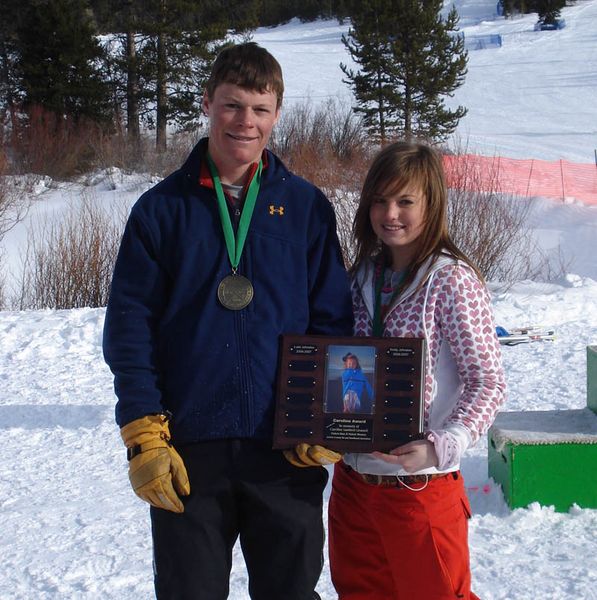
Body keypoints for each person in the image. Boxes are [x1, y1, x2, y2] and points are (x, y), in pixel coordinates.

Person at [103, 42, 353, 600]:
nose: (246, 122)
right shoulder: (160, 211)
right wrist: (144, 433)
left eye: (260, 110)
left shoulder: (308, 208)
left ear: (277, 115)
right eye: (233, 105)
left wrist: (325, 416)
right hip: (188, 449)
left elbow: (333, 322)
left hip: (285, 448)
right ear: (208, 104)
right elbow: (130, 329)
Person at [327, 141, 507, 600]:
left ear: (432, 204)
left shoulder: (451, 280)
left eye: (405, 201)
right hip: (354, 486)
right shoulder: (359, 276)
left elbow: (487, 382)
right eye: (380, 200)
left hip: (418, 488)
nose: (390, 213)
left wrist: (442, 445)